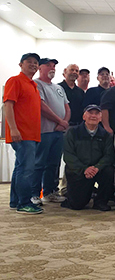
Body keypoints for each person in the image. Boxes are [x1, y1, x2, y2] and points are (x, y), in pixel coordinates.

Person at [4, 53, 43, 214]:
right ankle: (24, 203)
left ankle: (15, 201)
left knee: (20, 168)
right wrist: (13, 129)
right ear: (21, 64)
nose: (33, 65)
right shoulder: (15, 81)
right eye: (29, 62)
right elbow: (8, 105)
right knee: (27, 170)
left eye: (36, 63)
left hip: (32, 134)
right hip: (22, 134)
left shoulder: (32, 85)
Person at [62, 104, 115, 211]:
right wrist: (84, 169)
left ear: (101, 118)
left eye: (97, 114)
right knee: (77, 205)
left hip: (97, 170)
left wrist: (97, 168)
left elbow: (109, 156)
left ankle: (100, 202)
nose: (93, 116)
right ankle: (73, 196)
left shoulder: (106, 135)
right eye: (90, 113)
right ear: (84, 116)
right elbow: (68, 156)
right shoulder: (72, 132)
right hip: (78, 171)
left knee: (109, 171)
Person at [32, 58, 70, 205]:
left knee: (54, 164)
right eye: (48, 65)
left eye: (53, 66)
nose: (52, 68)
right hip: (44, 131)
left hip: (59, 132)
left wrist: (64, 122)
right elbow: (41, 106)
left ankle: (50, 191)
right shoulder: (36, 84)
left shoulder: (58, 88)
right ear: (40, 68)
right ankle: (34, 193)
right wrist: (60, 121)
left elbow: (67, 107)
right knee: (39, 163)